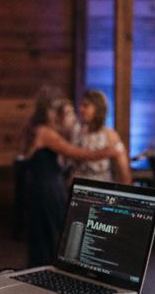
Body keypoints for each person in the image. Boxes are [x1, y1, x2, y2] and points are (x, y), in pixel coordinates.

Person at [20, 88, 122, 266]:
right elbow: (76, 153)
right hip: (47, 189)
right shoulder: (46, 133)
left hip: (46, 187)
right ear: (49, 112)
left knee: (50, 233)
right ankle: (46, 269)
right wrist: (109, 152)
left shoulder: (46, 131)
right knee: (51, 233)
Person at [71, 89, 132, 184]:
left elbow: (123, 173)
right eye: (81, 105)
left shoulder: (110, 135)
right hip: (77, 187)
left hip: (99, 187)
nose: (81, 109)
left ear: (98, 109)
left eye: (86, 106)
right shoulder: (77, 132)